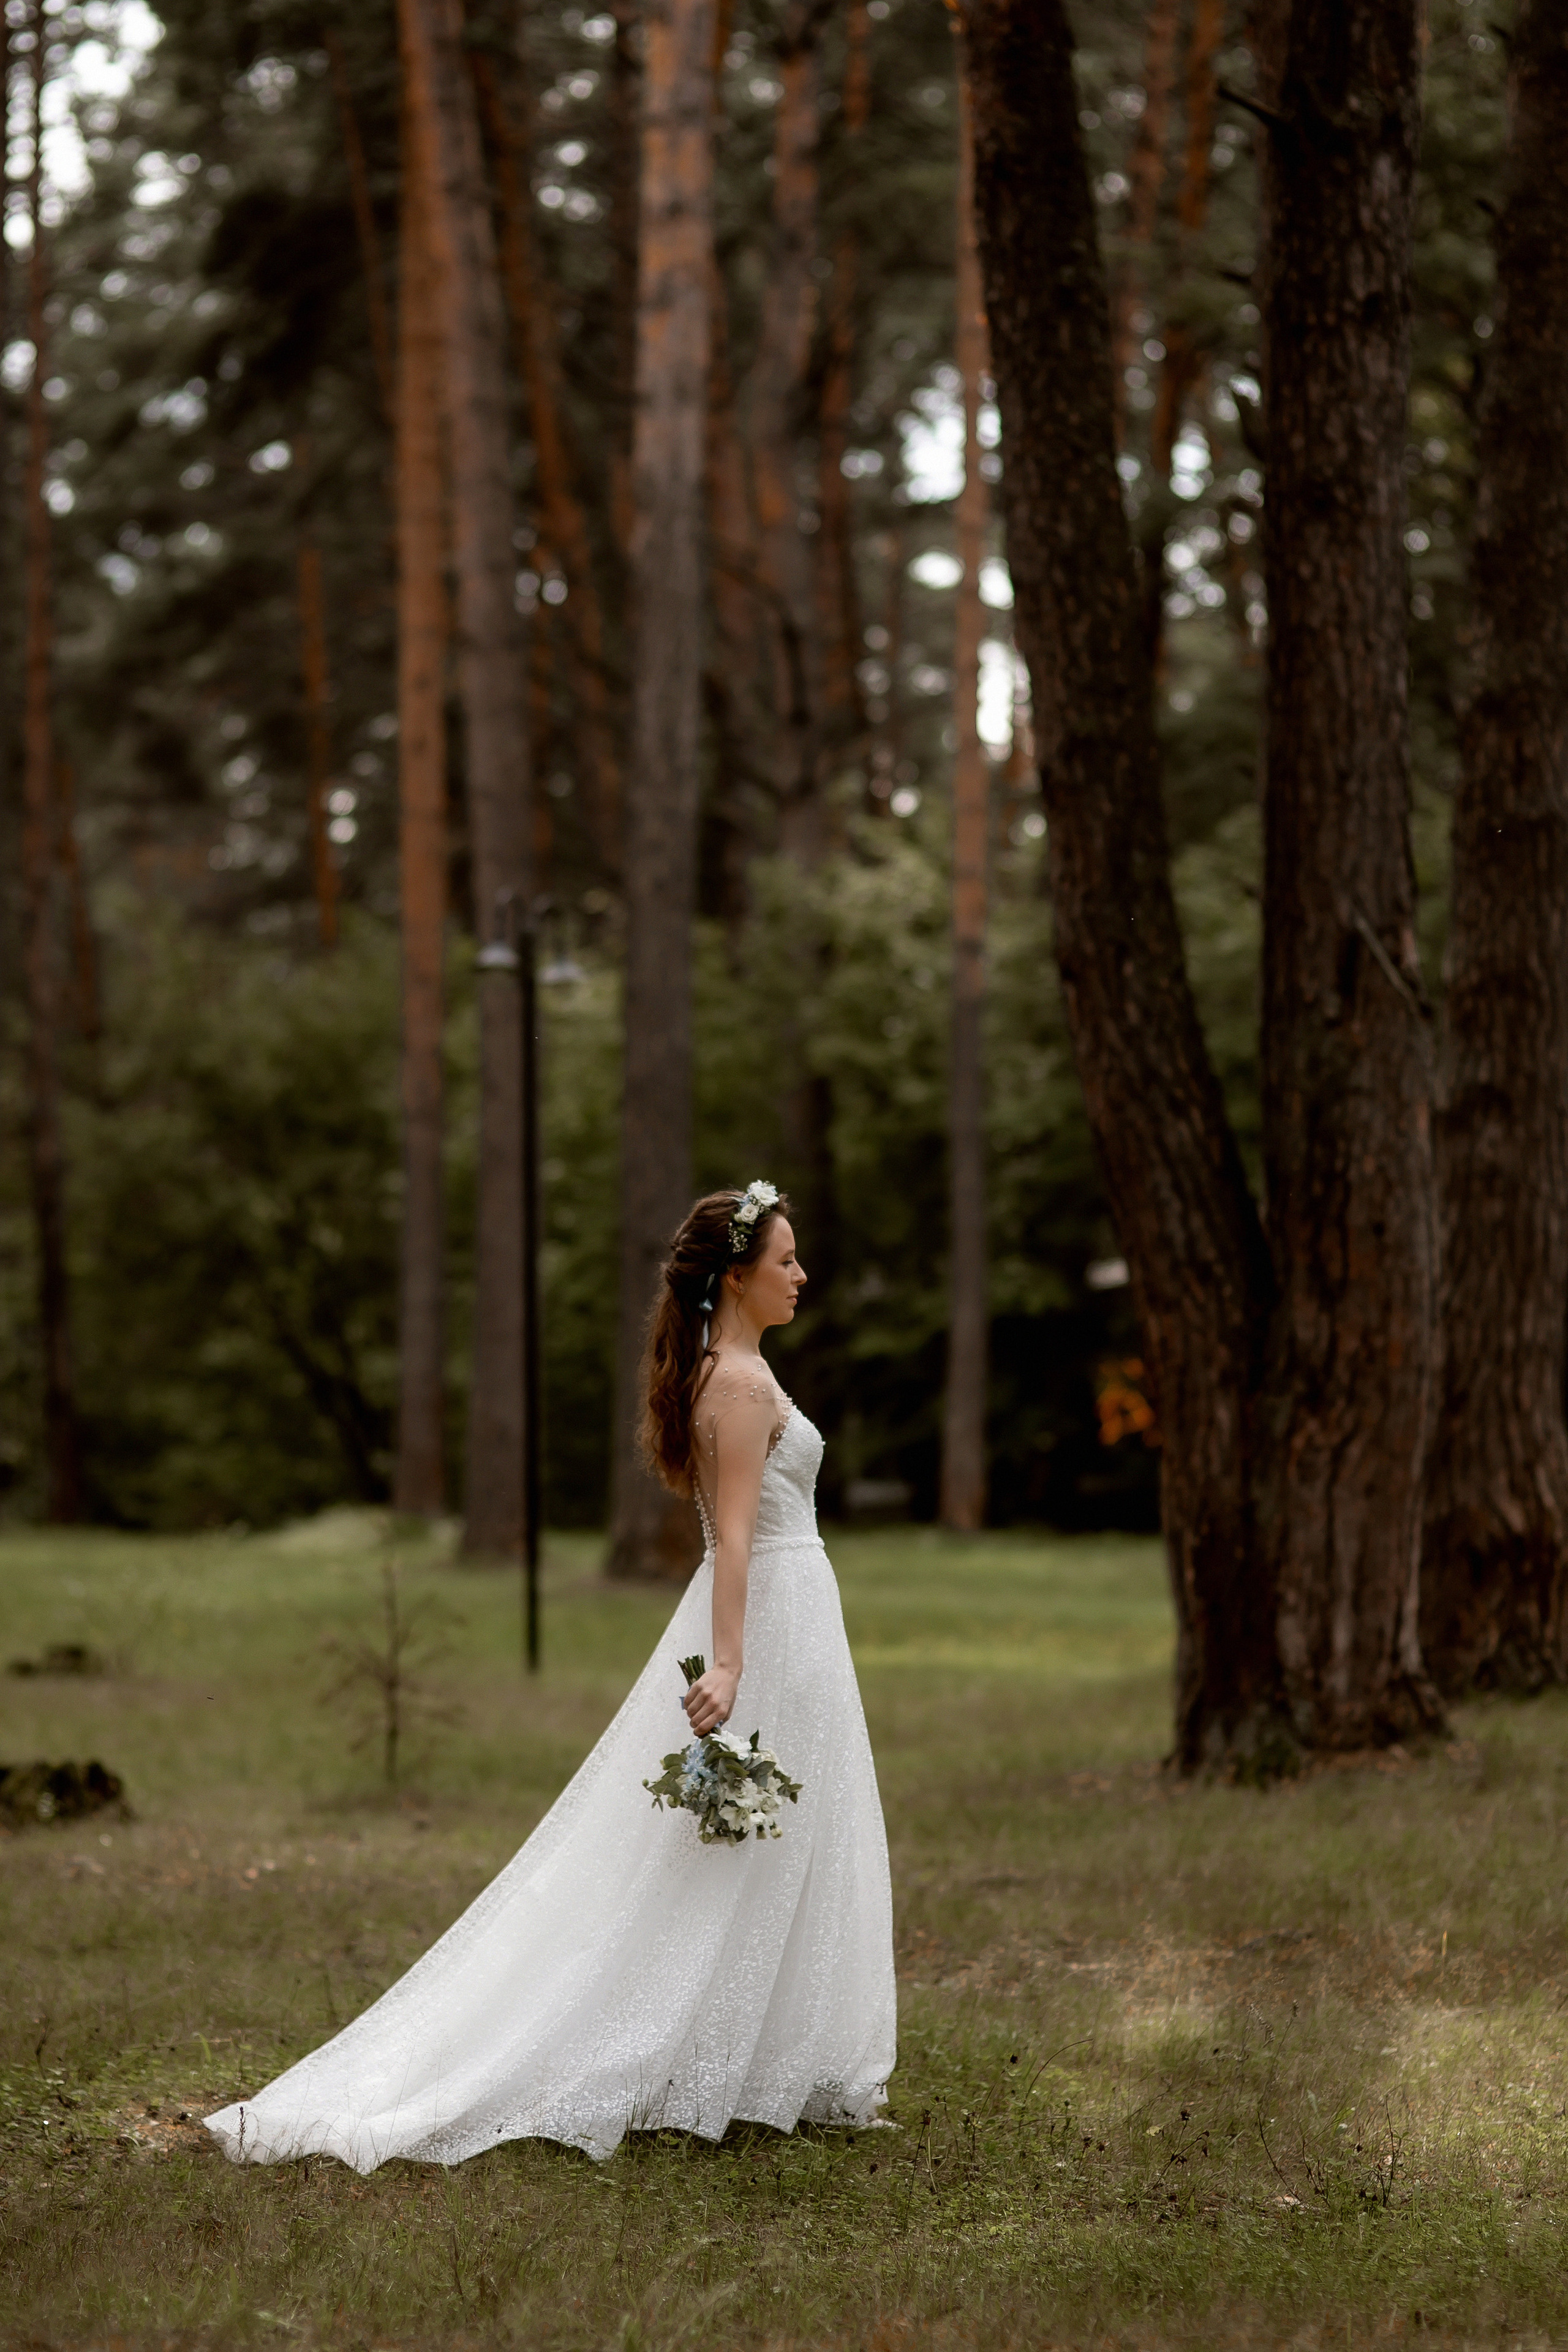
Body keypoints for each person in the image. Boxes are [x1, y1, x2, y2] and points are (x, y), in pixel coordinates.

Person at [205, 1183, 896, 2170]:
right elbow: (733, 1537)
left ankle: (757, 2055)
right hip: (770, 1615)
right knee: (731, 1836)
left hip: (792, 1610)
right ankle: (668, 2046)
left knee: (769, 1833)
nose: (801, 1276)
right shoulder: (739, 1387)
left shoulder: (733, 1368)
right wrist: (735, 1662)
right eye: (784, 1261)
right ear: (737, 1277)